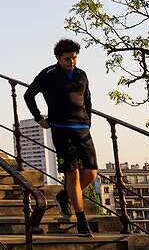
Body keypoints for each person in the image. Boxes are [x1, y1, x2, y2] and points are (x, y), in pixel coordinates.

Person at [24, 38, 98, 237]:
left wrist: (88, 121)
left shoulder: (82, 75)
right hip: (61, 128)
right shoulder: (48, 74)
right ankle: (82, 222)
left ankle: (64, 195)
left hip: (82, 128)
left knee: (91, 173)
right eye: (67, 58)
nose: (71, 62)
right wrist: (39, 118)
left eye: (74, 58)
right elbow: (28, 94)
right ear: (58, 57)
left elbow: (88, 100)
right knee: (72, 174)